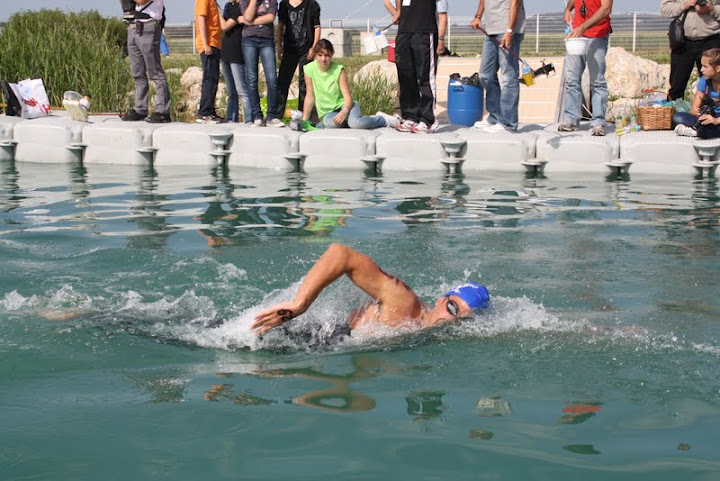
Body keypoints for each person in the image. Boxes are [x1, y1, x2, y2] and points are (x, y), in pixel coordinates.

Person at [252, 243, 491, 335]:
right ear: (441, 300)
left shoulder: (426, 333)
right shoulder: (405, 304)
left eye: (463, 319)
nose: (452, 320)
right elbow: (341, 254)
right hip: (299, 335)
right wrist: (299, 305)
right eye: (453, 308)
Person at [301, 39, 400, 130]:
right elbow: (310, 96)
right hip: (328, 112)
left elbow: (347, 97)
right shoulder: (309, 69)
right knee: (331, 124)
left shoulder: (338, 69)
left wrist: (344, 112)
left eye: (327, 55)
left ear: (332, 54)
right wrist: (304, 121)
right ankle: (349, 122)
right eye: (320, 55)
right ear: (315, 55)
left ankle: (381, 119)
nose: (323, 59)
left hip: (347, 106)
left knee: (356, 124)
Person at [384, 0, 448, 134]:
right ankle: (410, 116)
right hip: (404, 32)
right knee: (406, 77)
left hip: (424, 32)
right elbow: (387, 2)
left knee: (425, 77)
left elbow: (442, 15)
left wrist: (441, 39)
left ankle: (428, 120)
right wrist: (397, 11)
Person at [557, 0, 613, 136]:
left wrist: (582, 27)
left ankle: (598, 122)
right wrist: (568, 9)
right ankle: (571, 119)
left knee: (597, 81)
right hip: (577, 35)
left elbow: (606, 9)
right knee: (572, 79)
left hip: (597, 35)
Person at [470, 0, 526, 133]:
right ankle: (495, 117)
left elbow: (515, 2)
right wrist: (478, 16)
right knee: (485, 75)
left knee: (508, 77)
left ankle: (508, 123)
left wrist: (509, 31)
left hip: (508, 29)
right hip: (492, 29)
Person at [121, 0, 172, 123]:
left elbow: (142, 1)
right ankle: (140, 109)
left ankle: (163, 111)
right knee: (137, 72)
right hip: (133, 26)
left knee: (155, 72)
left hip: (149, 27)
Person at [661, 0, 720, 101]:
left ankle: (712, 109)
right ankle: (674, 108)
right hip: (683, 42)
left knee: (713, 83)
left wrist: (711, 9)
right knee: (677, 84)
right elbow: (664, 9)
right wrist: (684, 5)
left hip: (711, 41)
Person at [240, 0, 285, 127]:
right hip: (249, 39)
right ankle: (257, 116)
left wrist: (250, 22)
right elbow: (247, 16)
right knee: (252, 79)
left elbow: (270, 17)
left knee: (272, 79)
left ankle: (271, 116)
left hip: (266, 40)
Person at [276, 0, 322, 120]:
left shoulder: (312, 4)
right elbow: (280, 26)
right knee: (282, 82)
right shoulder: (284, 4)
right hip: (289, 49)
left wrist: (314, 47)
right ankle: (277, 115)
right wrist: (279, 45)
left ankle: (305, 116)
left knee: (305, 85)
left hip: (306, 49)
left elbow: (317, 27)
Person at [218, 0, 253, 123]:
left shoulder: (241, 7)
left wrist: (217, 11)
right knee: (231, 91)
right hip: (225, 52)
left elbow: (225, 26)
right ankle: (231, 118)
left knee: (241, 89)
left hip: (237, 52)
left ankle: (249, 119)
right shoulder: (228, 6)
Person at [673, 48, 720, 139]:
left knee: (710, 129)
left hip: (717, 120)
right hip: (709, 118)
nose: (701, 70)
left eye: (705, 66)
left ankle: (698, 132)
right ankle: (701, 130)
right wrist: (699, 112)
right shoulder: (705, 81)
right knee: (677, 117)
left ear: (718, 68)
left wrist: (716, 120)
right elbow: (693, 109)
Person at [195, 0, 225, 123]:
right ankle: (204, 113)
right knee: (209, 78)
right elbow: (201, 19)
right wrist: (206, 43)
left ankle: (210, 111)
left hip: (215, 43)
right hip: (209, 43)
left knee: (214, 78)